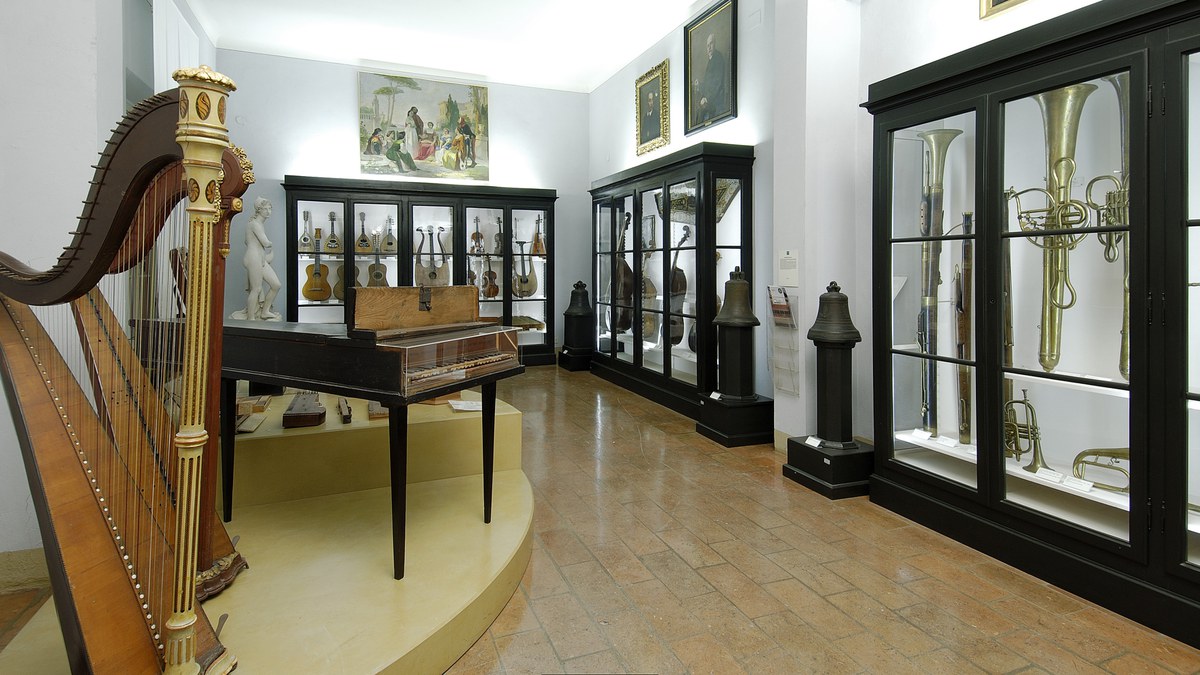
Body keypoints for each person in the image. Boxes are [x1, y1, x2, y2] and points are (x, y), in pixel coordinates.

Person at [232, 196, 281, 321]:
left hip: (259, 258)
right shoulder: (254, 224)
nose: (269, 211)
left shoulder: (258, 224)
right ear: (259, 210)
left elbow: (248, 241)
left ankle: (265, 311)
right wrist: (270, 244)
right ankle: (251, 317)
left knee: (276, 285)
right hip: (253, 258)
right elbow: (265, 242)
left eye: (270, 209)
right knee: (256, 289)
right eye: (266, 209)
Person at [695, 32, 728, 125]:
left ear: (715, 44)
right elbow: (708, 84)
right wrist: (700, 85)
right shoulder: (711, 59)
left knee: (700, 114)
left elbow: (717, 83)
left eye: (711, 44)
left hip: (716, 99)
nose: (709, 47)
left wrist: (706, 98)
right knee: (698, 112)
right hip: (710, 98)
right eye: (707, 45)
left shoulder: (718, 59)